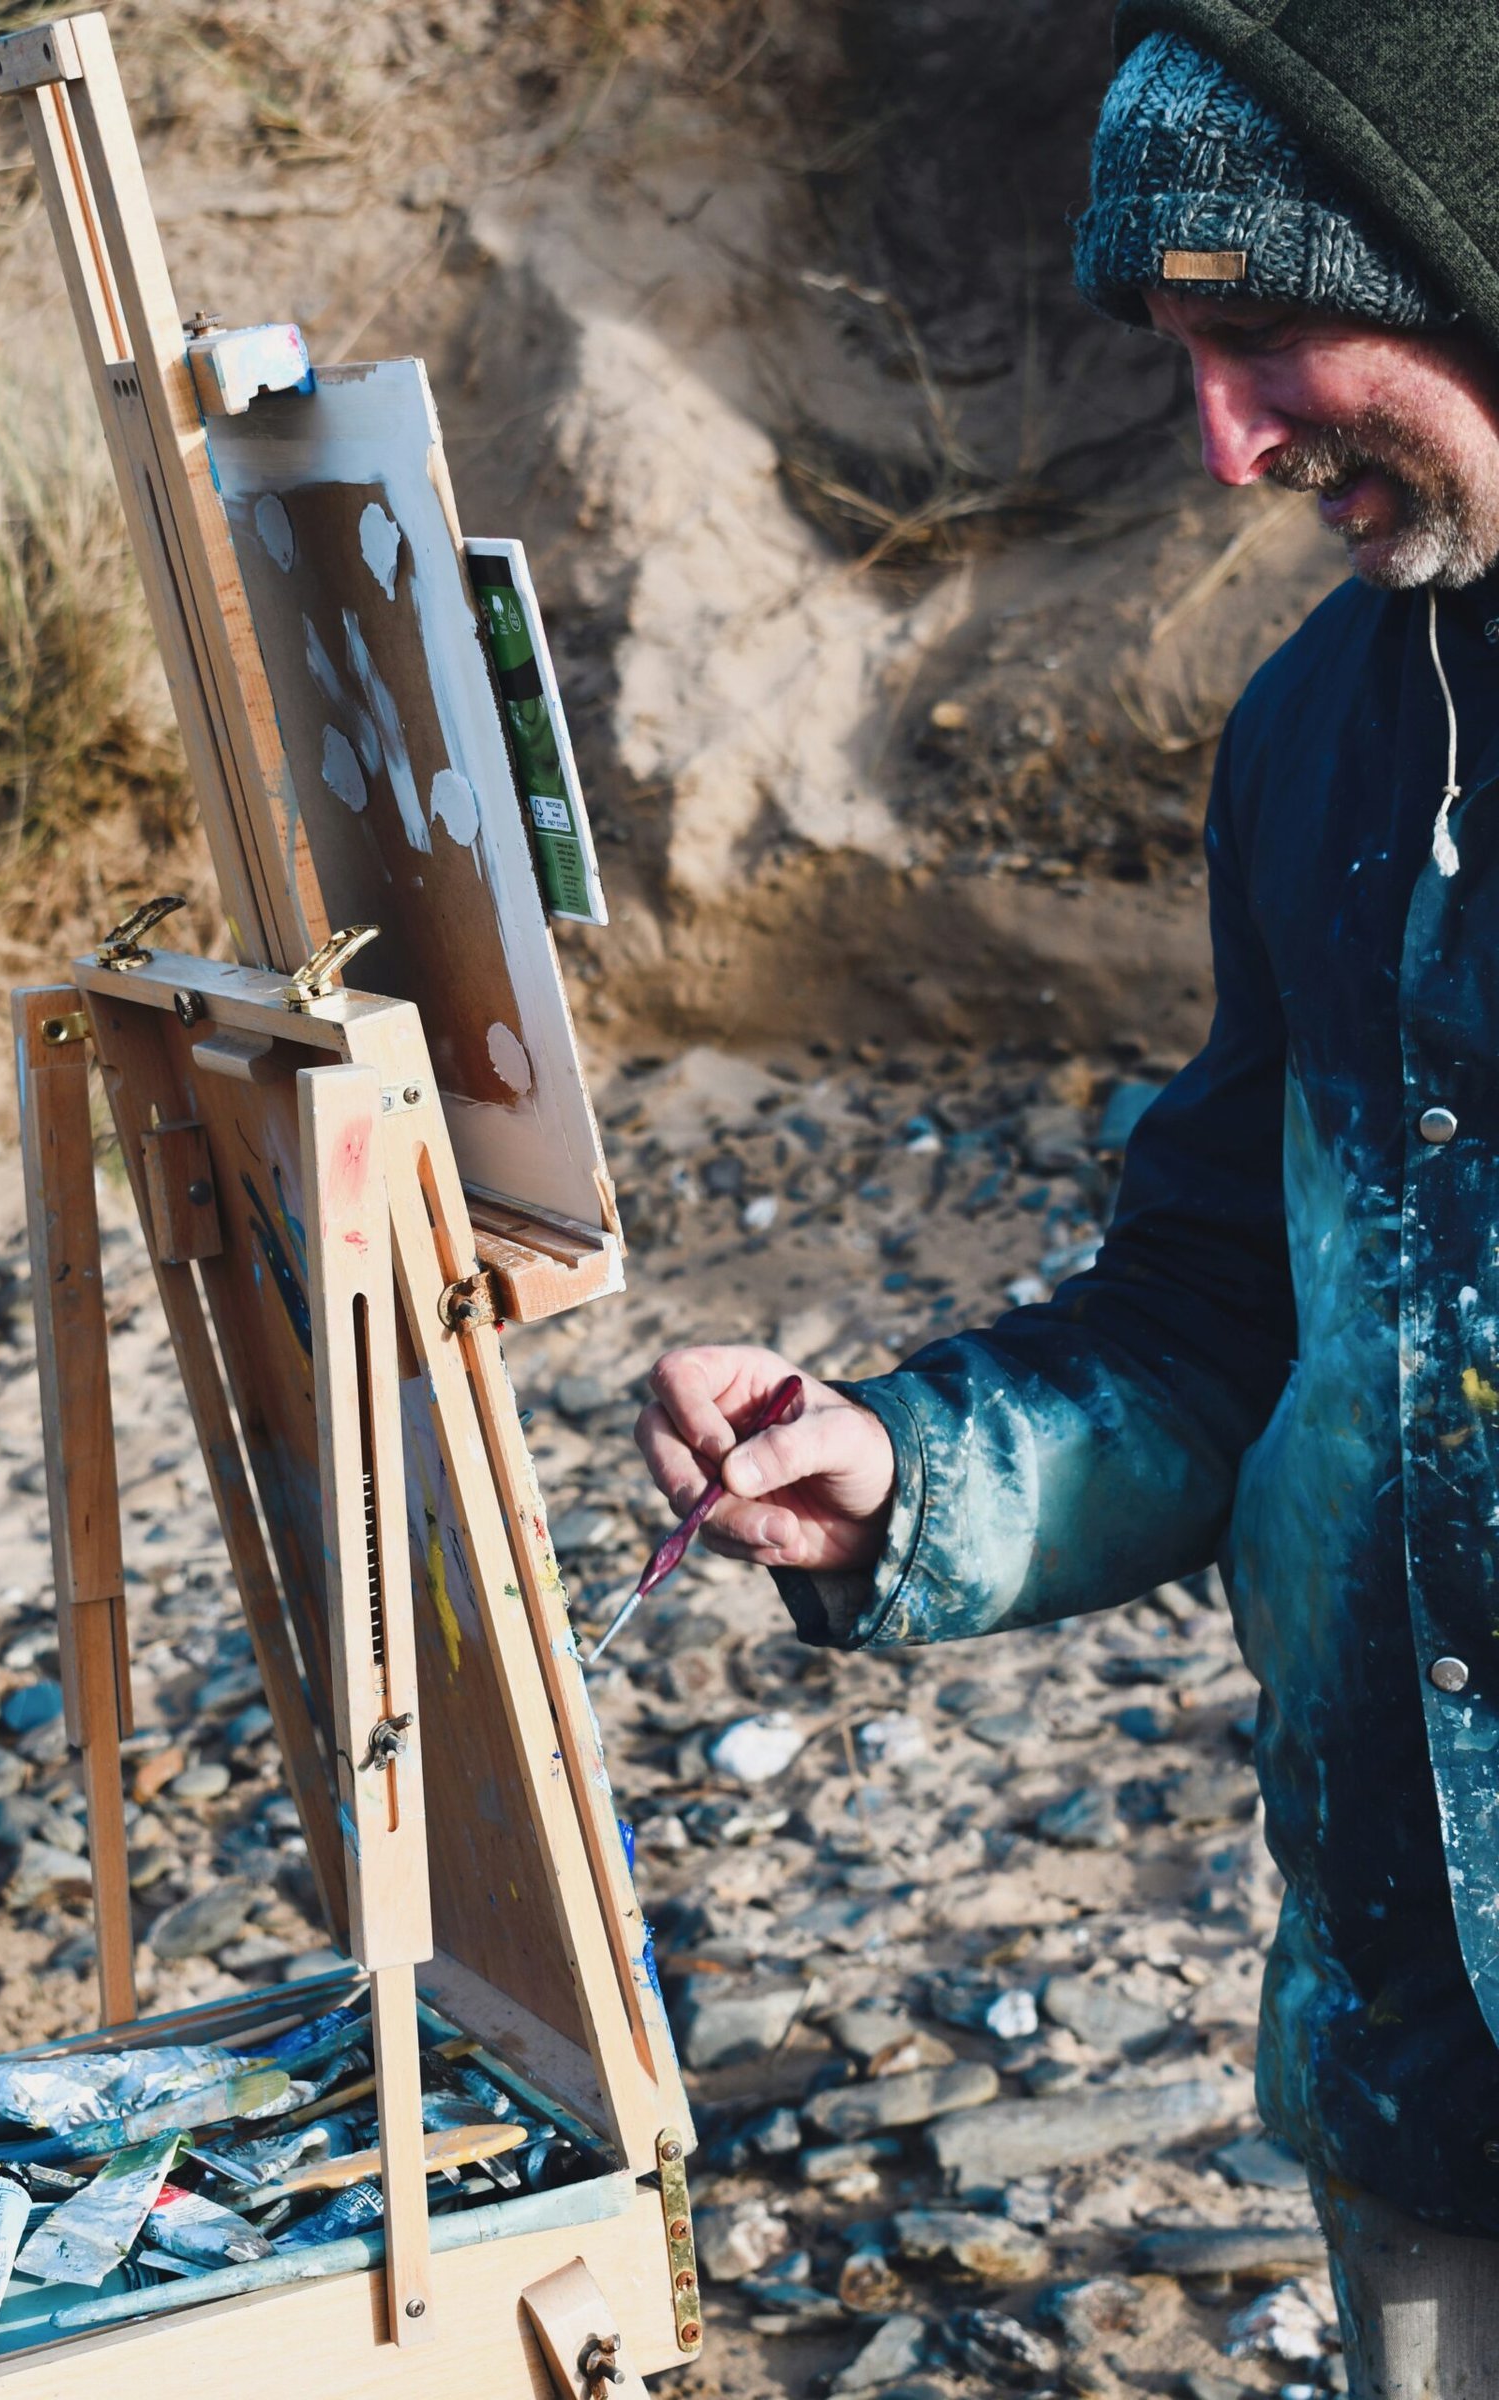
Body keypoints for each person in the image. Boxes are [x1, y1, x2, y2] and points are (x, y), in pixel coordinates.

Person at [635, 12, 1499, 2394]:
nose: (1220, 447)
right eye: (1181, 362)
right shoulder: (1323, 729)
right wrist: (904, 1474)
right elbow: (1231, 1298)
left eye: (1257, 339)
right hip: (1421, 2049)